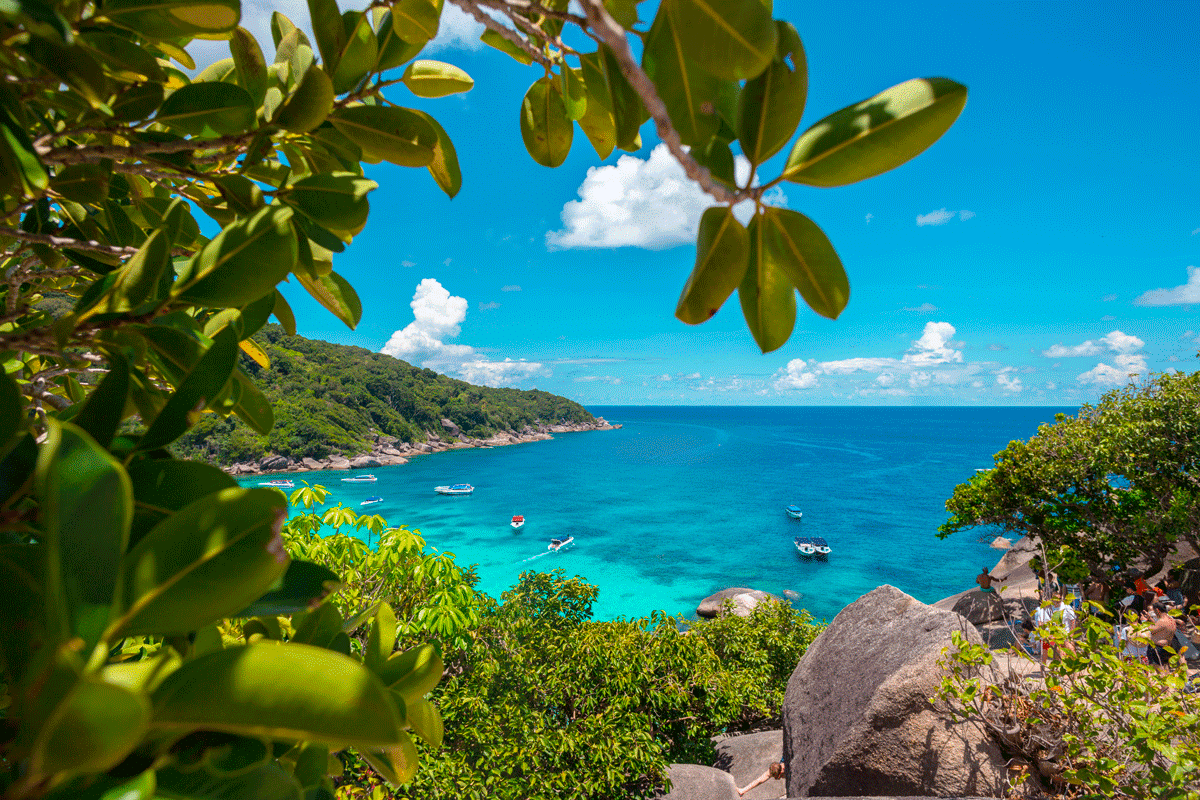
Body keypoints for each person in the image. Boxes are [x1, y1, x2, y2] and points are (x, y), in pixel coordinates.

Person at [1033, 594, 1077, 664]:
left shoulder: (1066, 607)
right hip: (1050, 635)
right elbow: (1040, 623)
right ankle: (1046, 669)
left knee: (1070, 647)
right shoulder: (1046, 608)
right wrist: (1046, 634)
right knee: (1053, 651)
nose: (1058, 601)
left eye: (1059, 599)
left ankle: (1075, 669)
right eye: (1056, 599)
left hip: (1065, 634)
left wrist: (1071, 635)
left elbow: (1073, 620)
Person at [1147, 602, 1179, 670]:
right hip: (1167, 647)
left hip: (1158, 648)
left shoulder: (1162, 621)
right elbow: (1160, 629)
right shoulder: (1171, 620)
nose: (1155, 614)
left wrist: (1144, 621)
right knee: (1165, 667)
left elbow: (1149, 630)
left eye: (1154, 612)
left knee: (1158, 670)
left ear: (1158, 610)